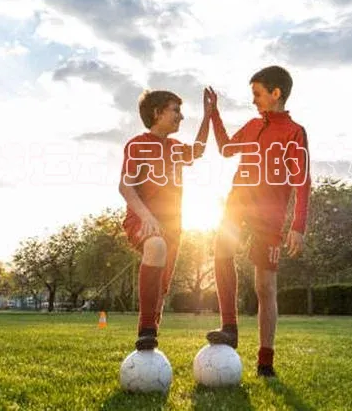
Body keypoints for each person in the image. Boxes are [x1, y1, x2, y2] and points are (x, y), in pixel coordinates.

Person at [205, 65, 311, 378]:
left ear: (276, 93)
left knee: (264, 286)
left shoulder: (294, 132)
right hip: (238, 202)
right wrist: (214, 114)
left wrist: (298, 225)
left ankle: (265, 361)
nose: (253, 101)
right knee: (221, 248)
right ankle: (229, 327)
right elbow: (226, 149)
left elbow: (302, 181)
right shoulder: (252, 126)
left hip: (270, 216)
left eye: (257, 94)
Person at [119, 88, 213, 351]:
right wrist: (146, 216)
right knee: (156, 245)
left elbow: (199, 150)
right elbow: (125, 187)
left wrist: (207, 116)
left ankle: (149, 343)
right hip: (142, 220)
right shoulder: (137, 145)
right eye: (176, 111)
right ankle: (145, 328)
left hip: (173, 227)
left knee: (161, 289)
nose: (181, 117)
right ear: (157, 113)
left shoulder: (175, 148)